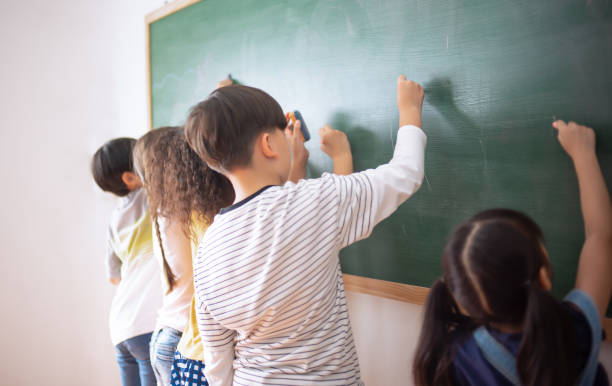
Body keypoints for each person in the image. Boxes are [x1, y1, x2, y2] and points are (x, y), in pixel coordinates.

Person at [183, 75, 427, 385]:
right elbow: (405, 173)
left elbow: (217, 357)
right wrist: (408, 110)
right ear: (268, 144)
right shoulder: (315, 202)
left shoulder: (209, 246)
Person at [413, 120, 612, 386]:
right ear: (543, 276)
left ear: (464, 299)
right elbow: (601, 238)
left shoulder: (457, 359)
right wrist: (584, 154)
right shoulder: (575, 330)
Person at [91, 137, 162, 386]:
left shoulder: (114, 219)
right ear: (129, 178)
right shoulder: (150, 196)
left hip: (120, 327)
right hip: (147, 324)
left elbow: (114, 276)